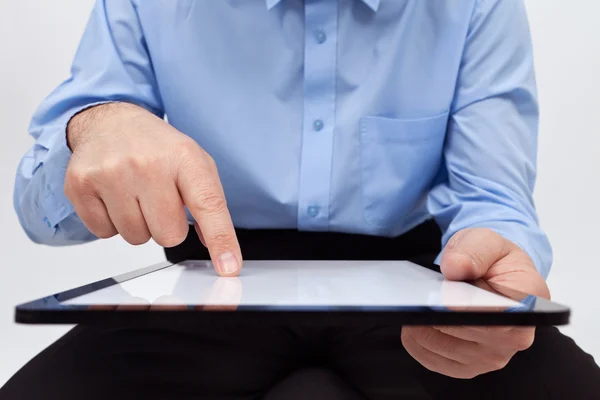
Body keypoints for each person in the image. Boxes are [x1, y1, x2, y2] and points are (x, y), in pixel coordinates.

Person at [2, 0, 599, 399]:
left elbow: (494, 202)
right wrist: (94, 128)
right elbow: (38, 207)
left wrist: (501, 268)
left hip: (420, 297)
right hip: (206, 285)